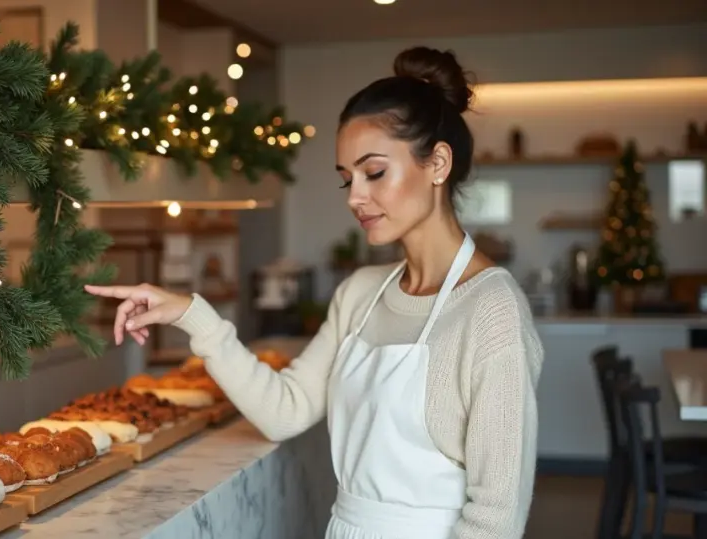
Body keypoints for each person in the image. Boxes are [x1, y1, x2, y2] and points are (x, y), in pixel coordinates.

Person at [85, 46, 543, 539]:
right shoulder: (361, 293)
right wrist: (194, 316)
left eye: (374, 173)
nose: (355, 197)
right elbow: (284, 410)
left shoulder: (491, 310)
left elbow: (496, 518)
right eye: (347, 179)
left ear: (437, 163)